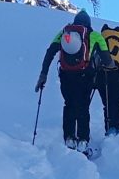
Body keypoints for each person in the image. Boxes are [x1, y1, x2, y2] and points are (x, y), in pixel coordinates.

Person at [35, 10, 114, 156]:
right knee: (83, 106)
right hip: (85, 76)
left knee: (69, 104)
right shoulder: (94, 35)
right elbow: (107, 60)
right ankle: (83, 142)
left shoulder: (64, 33)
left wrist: (43, 74)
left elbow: (50, 52)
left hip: (66, 76)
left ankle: (69, 139)